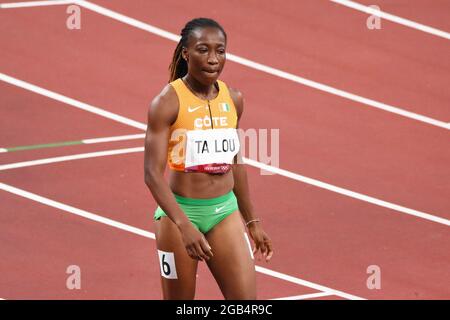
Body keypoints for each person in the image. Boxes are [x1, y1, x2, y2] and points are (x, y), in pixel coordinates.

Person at [144, 17, 273, 300]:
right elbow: (152, 174)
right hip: (179, 216)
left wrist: (252, 221)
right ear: (186, 53)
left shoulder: (234, 99)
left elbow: (235, 161)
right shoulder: (167, 103)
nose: (213, 59)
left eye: (220, 50)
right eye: (203, 50)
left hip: (224, 213)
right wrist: (184, 225)